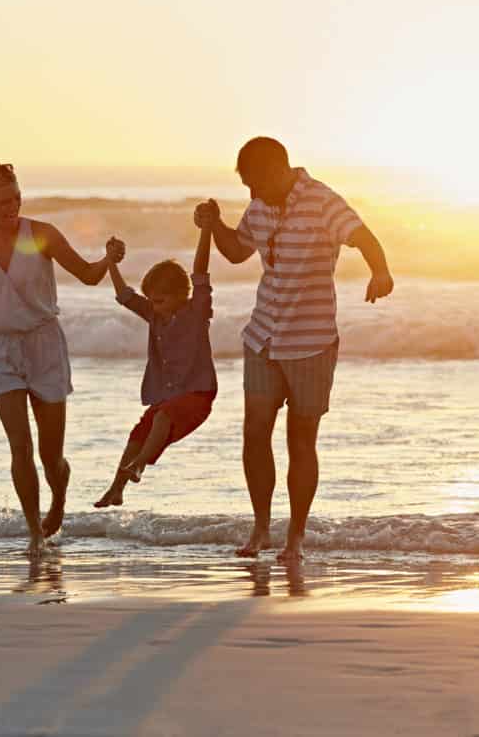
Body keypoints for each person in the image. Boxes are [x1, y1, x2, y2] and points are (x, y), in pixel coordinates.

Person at [195, 137, 394, 563]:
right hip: (263, 336)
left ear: (277, 171)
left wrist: (381, 271)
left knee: (300, 442)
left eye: (254, 183)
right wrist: (213, 225)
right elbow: (234, 252)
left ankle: (296, 538)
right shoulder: (260, 206)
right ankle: (262, 529)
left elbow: (364, 236)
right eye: (245, 186)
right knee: (254, 435)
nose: (251, 194)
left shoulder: (323, 201)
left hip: (311, 342)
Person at [0, 161, 122, 556]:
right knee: (21, 447)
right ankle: (34, 532)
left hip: (44, 345)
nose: (11, 206)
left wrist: (109, 259)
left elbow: (87, 275)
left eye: (16, 197)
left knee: (51, 456)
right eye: (2, 200)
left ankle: (59, 502)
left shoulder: (41, 235)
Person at [93, 223, 218, 508]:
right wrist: (111, 262)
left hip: (198, 395)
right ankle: (116, 489)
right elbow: (125, 295)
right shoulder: (154, 313)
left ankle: (138, 466)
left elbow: (200, 272)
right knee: (138, 433)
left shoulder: (196, 311)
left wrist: (205, 231)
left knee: (162, 417)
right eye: (151, 300)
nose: (154, 306)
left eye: (160, 300)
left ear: (180, 295)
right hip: (169, 398)